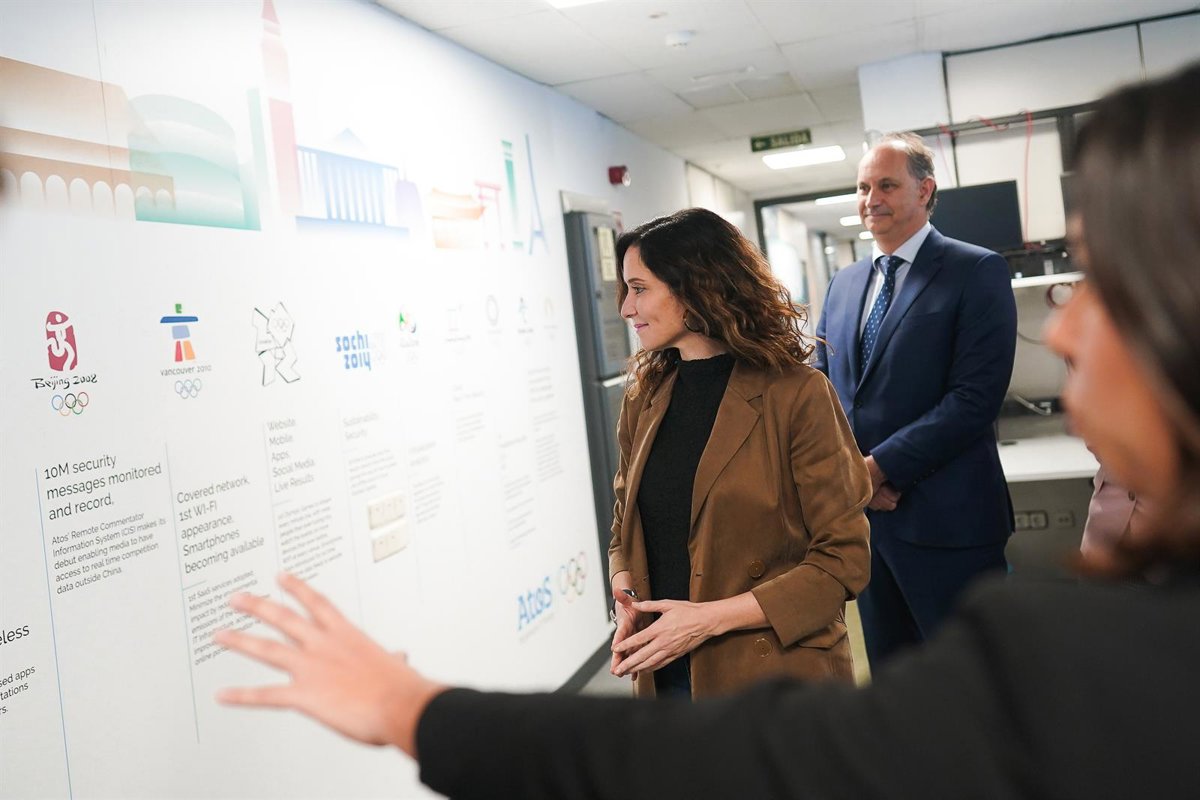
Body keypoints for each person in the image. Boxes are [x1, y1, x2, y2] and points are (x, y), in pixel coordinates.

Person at [217, 62, 1200, 799]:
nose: (1060, 327)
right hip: (678, 664)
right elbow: (630, 503)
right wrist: (628, 576)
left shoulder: (1087, 657)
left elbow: (791, 736)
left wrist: (415, 711)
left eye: (1099, 279)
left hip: (872, 569)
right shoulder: (660, 384)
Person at [604, 208, 871, 698]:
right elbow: (624, 524)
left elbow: (842, 561)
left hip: (773, 677)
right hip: (666, 672)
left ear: (695, 287)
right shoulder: (644, 397)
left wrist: (705, 620)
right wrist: (626, 592)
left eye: (639, 288)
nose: (625, 307)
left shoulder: (797, 394)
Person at [813, 132, 1017, 666]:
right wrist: (852, 477)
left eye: (886, 185)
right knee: (894, 680)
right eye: (863, 187)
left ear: (924, 191)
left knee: (973, 680)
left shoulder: (975, 269)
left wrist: (877, 469)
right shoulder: (844, 284)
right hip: (867, 527)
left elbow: (974, 398)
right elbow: (821, 391)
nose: (870, 199)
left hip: (948, 523)